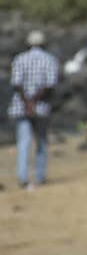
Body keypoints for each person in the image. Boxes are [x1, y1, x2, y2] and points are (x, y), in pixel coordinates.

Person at [9, 30, 59, 189]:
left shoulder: (19, 59)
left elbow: (17, 84)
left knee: (24, 143)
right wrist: (34, 102)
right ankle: (40, 176)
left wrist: (27, 103)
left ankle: (23, 177)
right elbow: (50, 85)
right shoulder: (50, 60)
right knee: (42, 142)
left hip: (21, 107)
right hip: (41, 107)